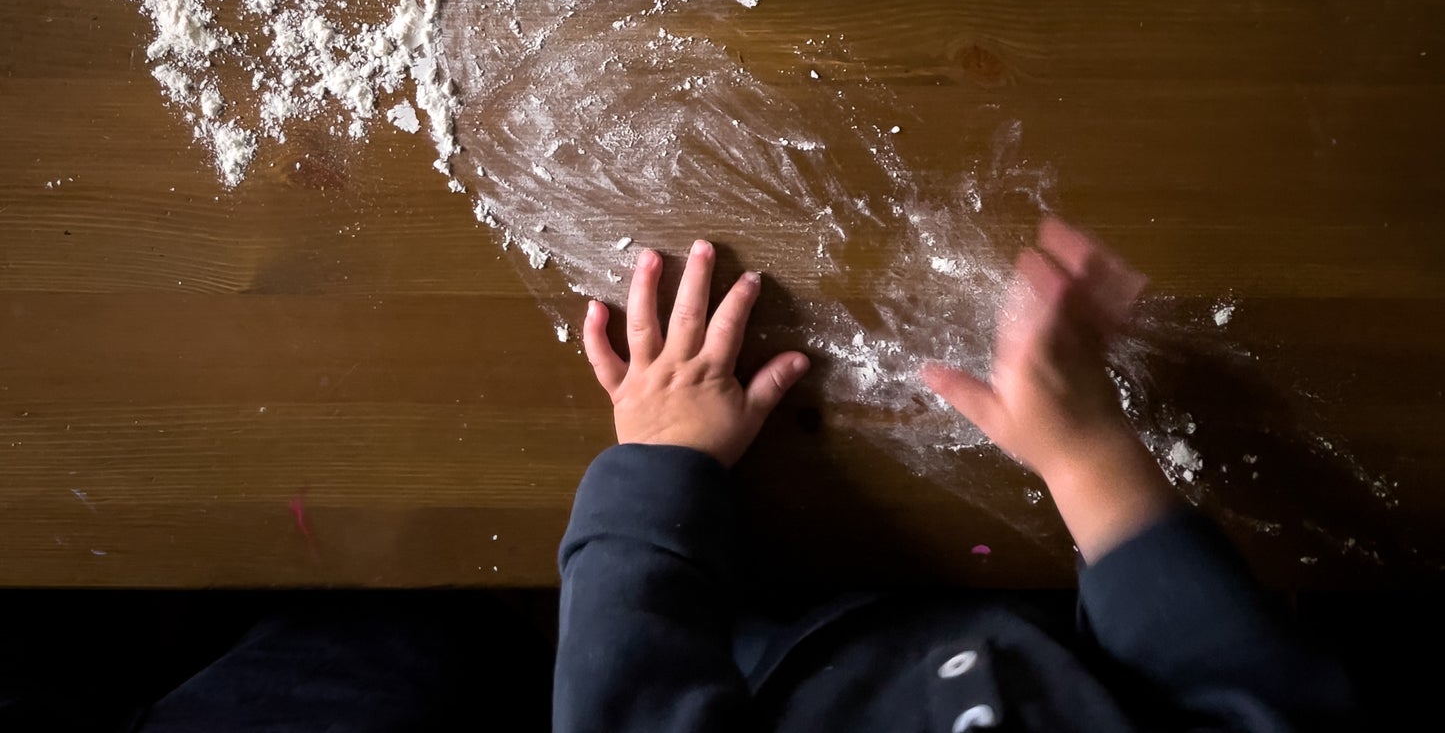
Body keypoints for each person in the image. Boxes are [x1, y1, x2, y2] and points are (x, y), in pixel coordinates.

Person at [556, 219, 1353, 731]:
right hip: (1079, 660)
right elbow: (1253, 698)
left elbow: (626, 699)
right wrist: (1090, 459)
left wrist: (660, 465)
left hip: (778, 653)